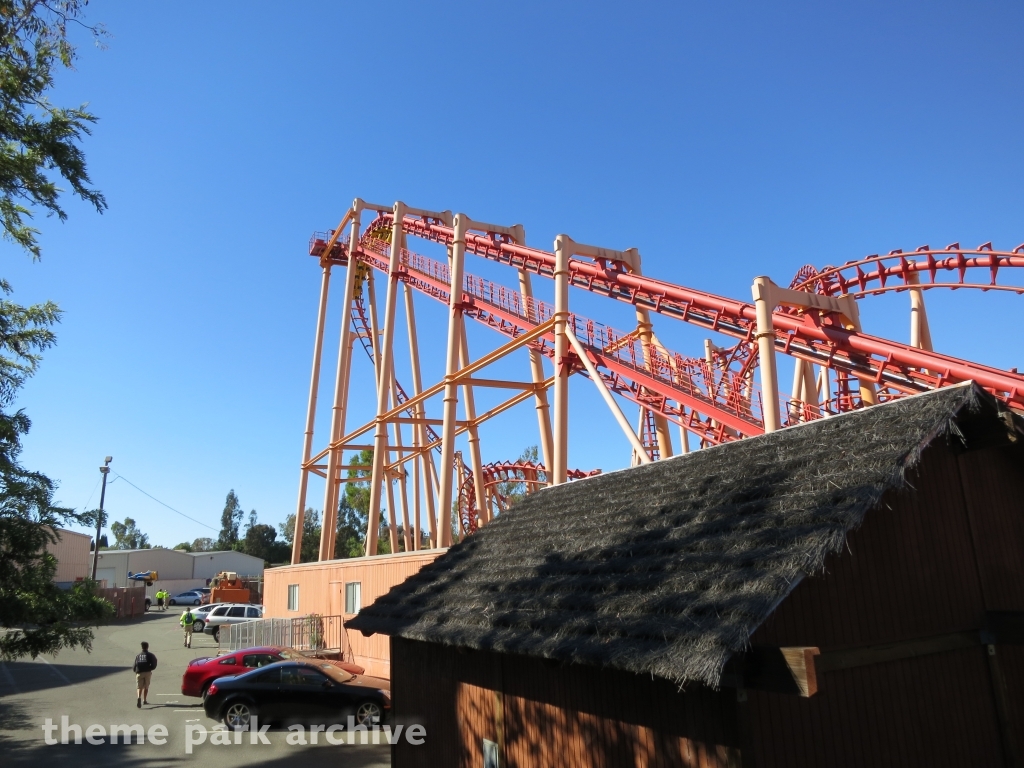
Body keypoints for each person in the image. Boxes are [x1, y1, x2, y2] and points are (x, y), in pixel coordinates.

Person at [132, 641, 158, 708]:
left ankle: (138, 697)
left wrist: (135, 670)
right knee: (146, 686)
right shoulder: (150, 655)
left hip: (139, 672)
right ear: (147, 647)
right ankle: (144, 700)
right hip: (147, 672)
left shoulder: (138, 655)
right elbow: (154, 662)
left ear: (142, 647)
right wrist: (151, 668)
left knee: (139, 687)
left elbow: (134, 665)